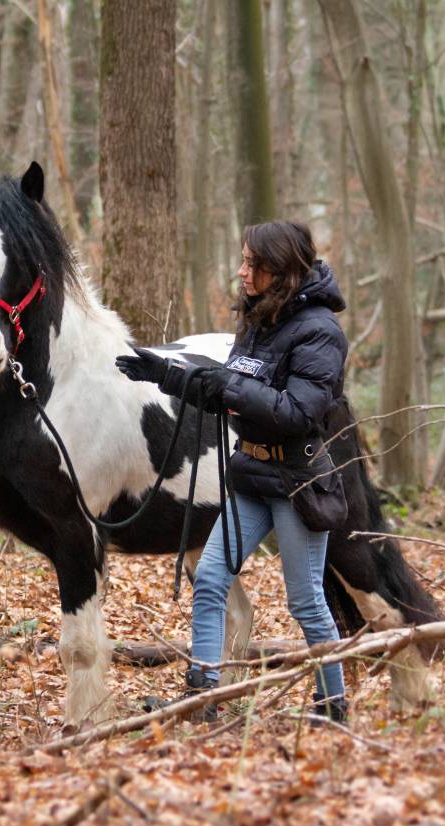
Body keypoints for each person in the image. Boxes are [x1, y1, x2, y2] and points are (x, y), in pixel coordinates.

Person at [116, 221, 350, 723]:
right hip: (250, 476)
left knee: (306, 601)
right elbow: (224, 387)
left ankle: (333, 706)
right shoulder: (257, 321)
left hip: (296, 481)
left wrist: (229, 390)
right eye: (242, 260)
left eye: (251, 263)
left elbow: (298, 412)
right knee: (211, 579)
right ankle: (204, 695)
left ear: (279, 270)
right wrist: (162, 374)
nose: (241, 271)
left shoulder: (320, 332)